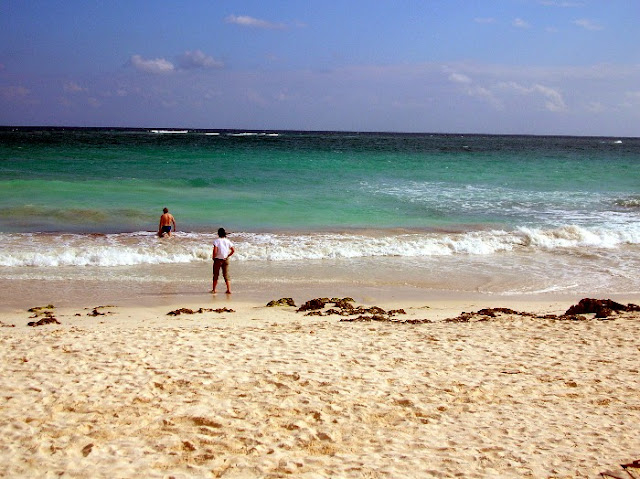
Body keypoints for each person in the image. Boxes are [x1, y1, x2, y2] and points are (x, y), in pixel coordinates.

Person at [212, 227, 235, 294]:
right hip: (225, 259)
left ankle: (214, 289)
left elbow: (215, 250)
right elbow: (233, 250)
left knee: (216, 275)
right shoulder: (227, 241)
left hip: (218, 259)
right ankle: (228, 289)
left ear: (218, 234)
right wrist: (228, 255)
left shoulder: (216, 241)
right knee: (226, 275)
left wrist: (213, 257)